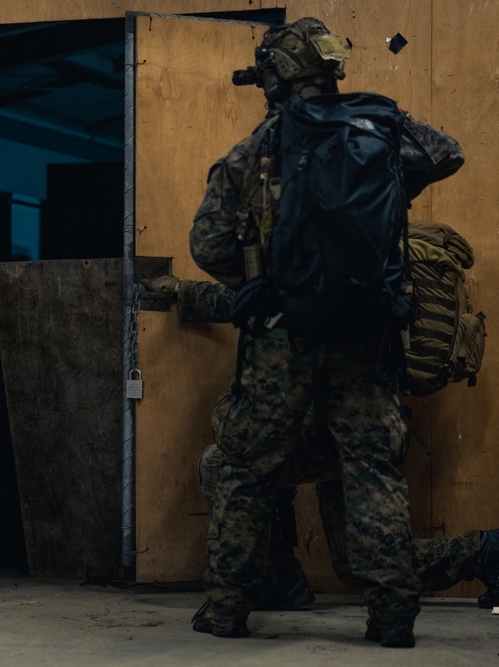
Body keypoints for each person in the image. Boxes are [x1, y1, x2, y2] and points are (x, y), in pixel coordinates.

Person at [187, 18, 465, 647]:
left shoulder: (254, 149)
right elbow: (447, 151)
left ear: (275, 74)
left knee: (242, 466)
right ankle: (392, 616)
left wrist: (267, 274)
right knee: (370, 468)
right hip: (364, 331)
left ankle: (226, 607)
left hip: (281, 334)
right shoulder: (380, 130)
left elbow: (206, 246)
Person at [142, 275, 499, 610]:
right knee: (356, 561)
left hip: (346, 434)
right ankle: (483, 553)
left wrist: (181, 290)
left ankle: (278, 579)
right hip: (350, 429)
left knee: (221, 464)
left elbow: (252, 299)